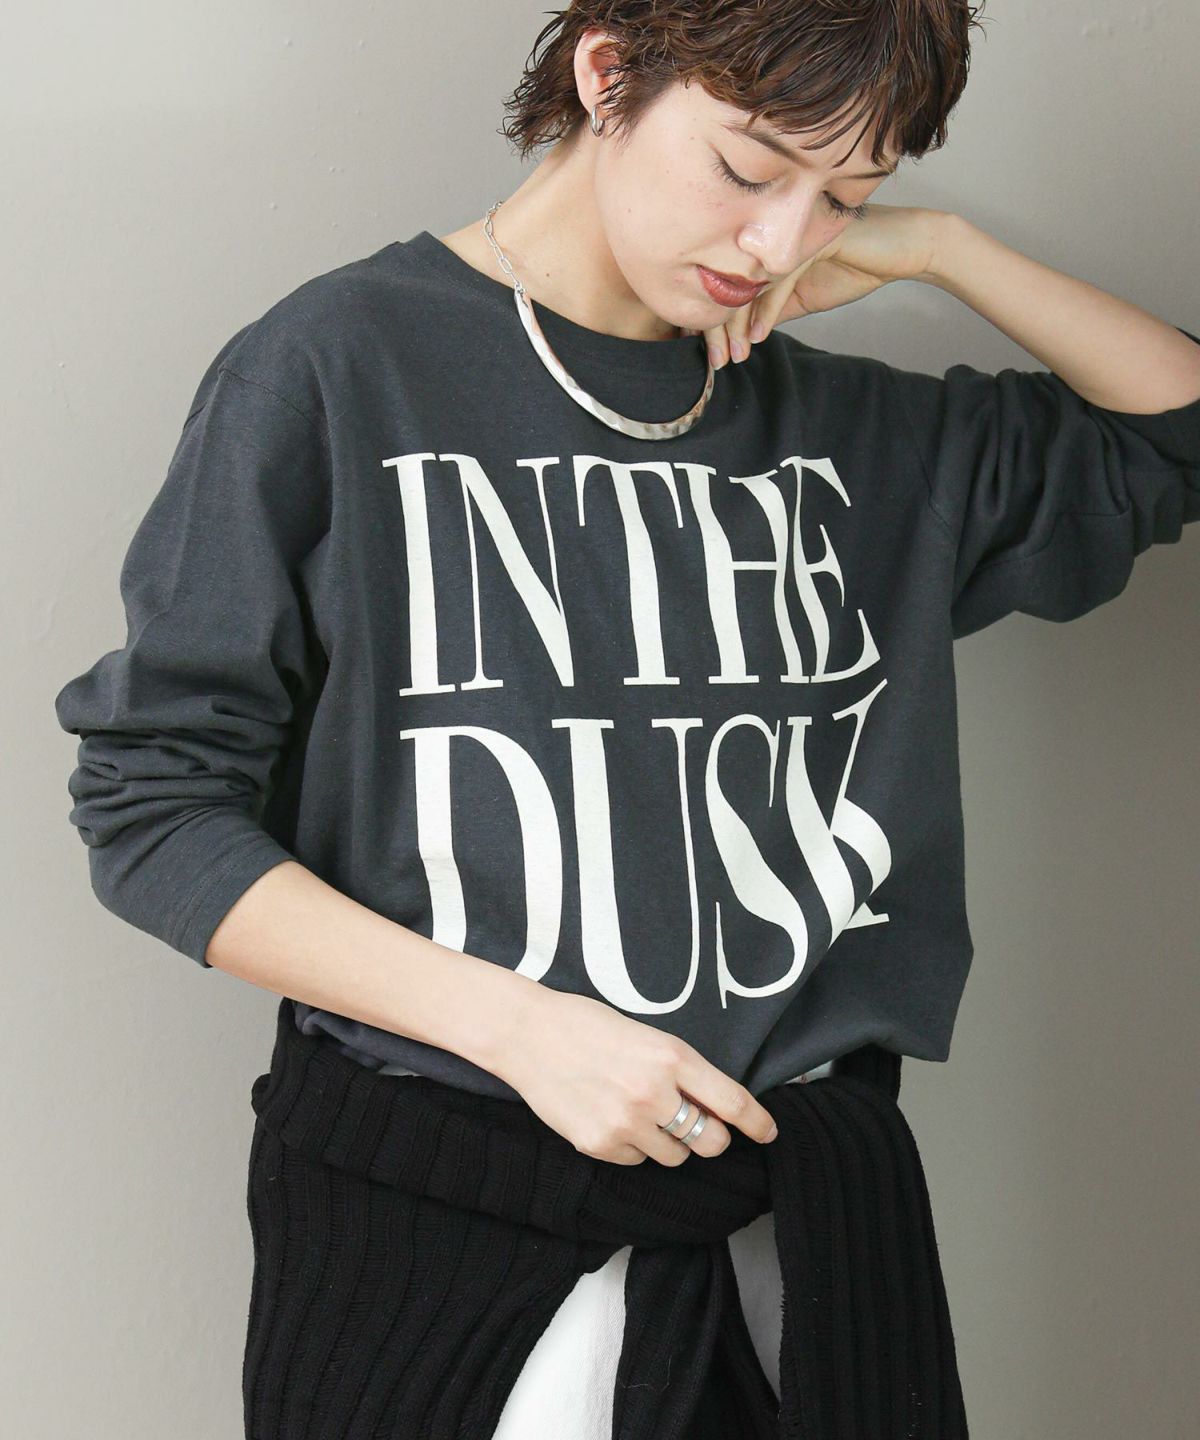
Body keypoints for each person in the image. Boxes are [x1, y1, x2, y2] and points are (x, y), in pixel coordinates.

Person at [53, 2, 1199, 1436]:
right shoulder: (340, 366)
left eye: (847, 196)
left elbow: (1177, 430)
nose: (779, 242)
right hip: (438, 1213)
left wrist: (942, 250)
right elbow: (155, 807)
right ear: (607, 74)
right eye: (748, 167)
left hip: (802, 1231)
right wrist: (524, 1032)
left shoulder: (855, 436)